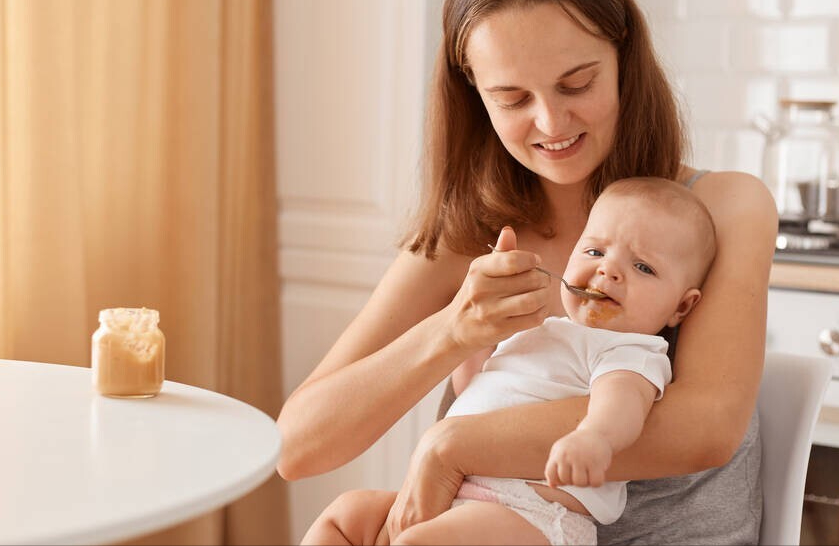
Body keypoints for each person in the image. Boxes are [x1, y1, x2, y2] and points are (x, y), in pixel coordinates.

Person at [276, 0, 777, 546]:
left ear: (624, 58)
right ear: (474, 97)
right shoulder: (472, 234)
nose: (550, 121)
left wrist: (448, 445)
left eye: (576, 84)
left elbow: (708, 426)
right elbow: (297, 446)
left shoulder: (720, 208)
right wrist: (453, 330)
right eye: (512, 98)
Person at [301, 177, 716, 546]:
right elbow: (484, 394)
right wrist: (478, 332)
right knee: (345, 515)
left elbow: (623, 403)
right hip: (460, 497)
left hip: (532, 517)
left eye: (642, 267)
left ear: (681, 306)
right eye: (594, 251)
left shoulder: (632, 351)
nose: (608, 271)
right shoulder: (548, 329)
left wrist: (595, 438)